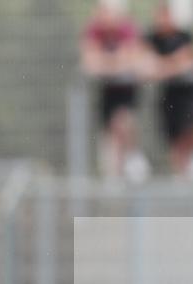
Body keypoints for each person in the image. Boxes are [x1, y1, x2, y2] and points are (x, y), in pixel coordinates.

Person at [80, 0, 149, 183]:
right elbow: (90, 63)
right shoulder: (94, 30)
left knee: (124, 123)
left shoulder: (128, 29)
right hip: (107, 95)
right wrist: (117, 63)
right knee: (109, 146)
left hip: (127, 94)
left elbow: (132, 59)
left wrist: (107, 63)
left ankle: (132, 162)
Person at [144, 3, 193, 181]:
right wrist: (173, 65)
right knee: (173, 138)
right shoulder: (152, 38)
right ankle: (180, 173)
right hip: (168, 96)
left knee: (189, 131)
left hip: (188, 95)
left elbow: (189, 60)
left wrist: (163, 67)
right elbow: (145, 64)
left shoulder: (185, 36)